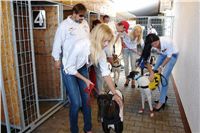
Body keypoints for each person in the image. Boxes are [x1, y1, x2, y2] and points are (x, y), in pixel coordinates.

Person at [51, 3, 91, 133]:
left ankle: (88, 128)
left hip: (82, 67)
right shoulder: (64, 26)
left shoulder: (85, 24)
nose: (82, 18)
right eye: (80, 16)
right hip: (68, 68)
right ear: (74, 13)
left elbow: (88, 42)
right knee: (76, 102)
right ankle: (74, 130)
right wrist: (57, 59)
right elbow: (57, 43)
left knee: (86, 100)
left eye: (83, 16)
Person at [139, 34, 179, 111]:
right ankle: (162, 96)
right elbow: (146, 61)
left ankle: (161, 101)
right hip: (163, 54)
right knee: (154, 72)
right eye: (152, 45)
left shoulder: (167, 42)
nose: (155, 46)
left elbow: (168, 57)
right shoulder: (149, 45)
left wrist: (161, 67)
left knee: (164, 79)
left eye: (156, 43)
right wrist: (151, 72)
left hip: (173, 55)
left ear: (159, 40)